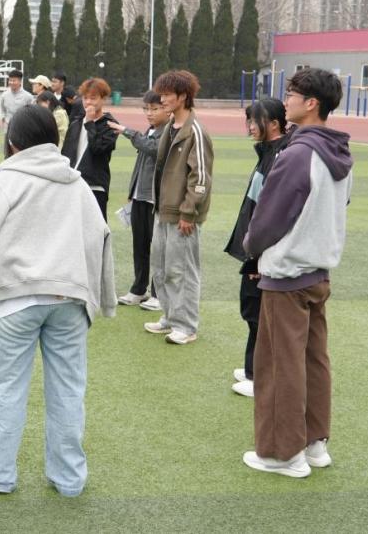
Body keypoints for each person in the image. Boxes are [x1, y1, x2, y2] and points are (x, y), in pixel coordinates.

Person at [0, 105, 116, 498]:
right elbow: (101, 237)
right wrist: (106, 299)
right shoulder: (76, 183)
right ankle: (69, 478)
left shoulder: (5, 181)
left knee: (7, 389)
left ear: (13, 141)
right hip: (70, 297)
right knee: (68, 390)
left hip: (16, 298)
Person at [242, 69, 352, 479]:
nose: (285, 99)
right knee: (313, 360)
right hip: (318, 271)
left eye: (292, 93)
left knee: (279, 365)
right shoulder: (339, 153)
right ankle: (314, 443)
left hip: (288, 274)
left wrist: (251, 246)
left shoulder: (298, 154)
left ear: (311, 103)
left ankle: (281, 454)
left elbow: (269, 219)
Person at [224, 98, 289, 398]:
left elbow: (270, 213)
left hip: (262, 253)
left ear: (274, 124)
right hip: (255, 248)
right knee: (252, 311)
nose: (250, 126)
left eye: (255, 121)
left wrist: (256, 258)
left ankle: (259, 376)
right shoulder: (268, 152)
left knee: (259, 314)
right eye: (249, 120)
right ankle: (252, 368)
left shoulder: (280, 156)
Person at [143, 70, 214, 346]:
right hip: (163, 210)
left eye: (167, 95)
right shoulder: (171, 125)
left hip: (182, 214)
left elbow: (201, 177)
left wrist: (188, 212)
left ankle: (186, 325)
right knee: (161, 267)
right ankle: (171, 317)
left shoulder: (195, 131)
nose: (162, 99)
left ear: (183, 96)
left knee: (182, 269)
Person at [107, 90, 167, 309]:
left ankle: (159, 293)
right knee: (139, 245)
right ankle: (139, 289)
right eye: (146, 109)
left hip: (155, 199)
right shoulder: (150, 131)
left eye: (154, 109)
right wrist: (132, 192)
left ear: (167, 109)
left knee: (157, 248)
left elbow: (153, 149)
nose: (149, 113)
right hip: (140, 197)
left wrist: (127, 131)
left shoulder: (168, 132)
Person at [60, 78, 119, 221]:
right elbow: (66, 153)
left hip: (95, 187)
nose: (88, 102)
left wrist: (90, 123)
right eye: (85, 98)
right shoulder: (76, 123)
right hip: (73, 184)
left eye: (93, 98)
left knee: (95, 228)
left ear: (103, 99)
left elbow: (97, 148)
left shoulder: (110, 125)